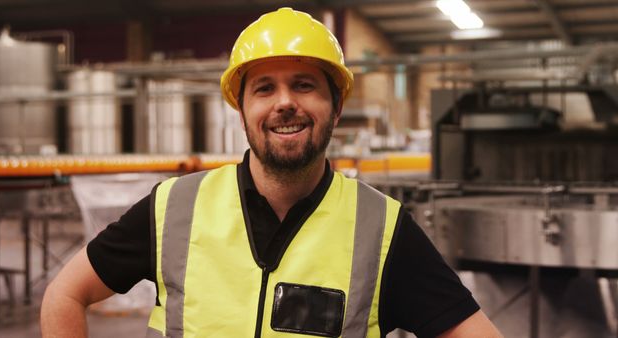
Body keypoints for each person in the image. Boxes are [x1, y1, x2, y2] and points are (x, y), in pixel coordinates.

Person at [41, 7, 502, 338]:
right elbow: (64, 295)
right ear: (242, 111)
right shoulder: (175, 209)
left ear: (336, 107)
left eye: (304, 85)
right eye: (264, 88)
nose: (285, 102)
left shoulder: (381, 230)